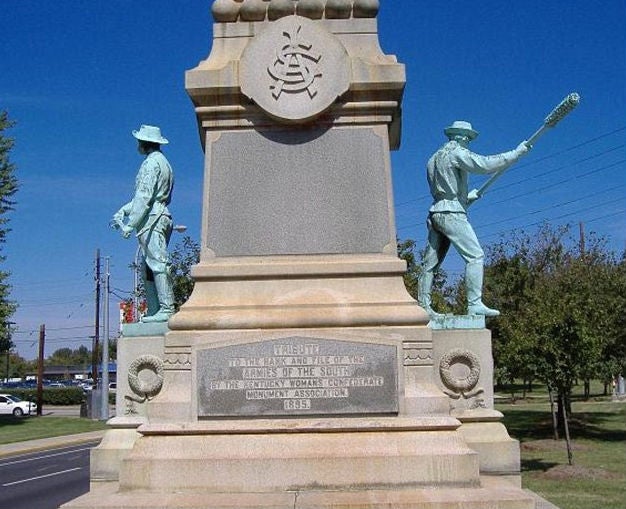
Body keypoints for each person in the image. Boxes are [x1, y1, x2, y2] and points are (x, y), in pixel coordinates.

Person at [418, 120, 530, 317]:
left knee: (430, 264)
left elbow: (446, 191)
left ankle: (424, 307)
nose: (468, 142)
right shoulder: (456, 152)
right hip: (451, 214)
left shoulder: (433, 158)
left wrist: (467, 198)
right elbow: (485, 165)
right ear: (461, 137)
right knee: (475, 256)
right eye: (468, 139)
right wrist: (517, 153)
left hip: (437, 212)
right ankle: (474, 304)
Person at [111, 125, 175, 323]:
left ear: (144, 142)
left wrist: (130, 224)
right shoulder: (164, 163)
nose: (137, 144)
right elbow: (145, 198)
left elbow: (145, 197)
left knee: (157, 263)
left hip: (152, 219)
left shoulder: (150, 164)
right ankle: (155, 309)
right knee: (147, 266)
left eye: (139, 140)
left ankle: (166, 308)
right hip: (158, 214)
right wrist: (124, 210)